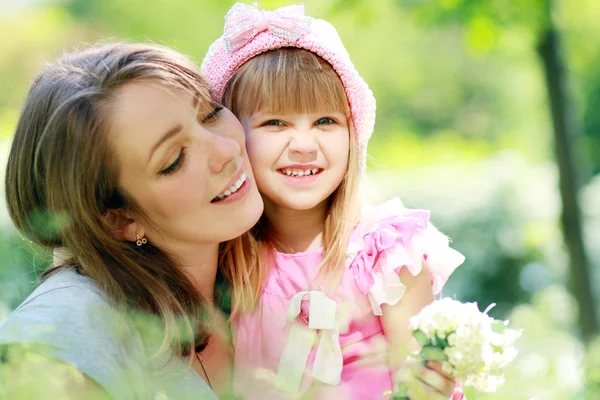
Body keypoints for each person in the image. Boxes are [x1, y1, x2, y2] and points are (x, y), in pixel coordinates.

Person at [202, 3, 466, 399]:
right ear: (234, 137)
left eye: (325, 121)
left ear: (351, 133)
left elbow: (419, 385)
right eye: (276, 123)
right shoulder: (225, 259)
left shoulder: (386, 255)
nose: (305, 146)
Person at [0, 42, 264, 399]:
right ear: (118, 220)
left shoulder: (261, 274)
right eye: (174, 159)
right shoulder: (63, 333)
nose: (227, 149)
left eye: (210, 113)